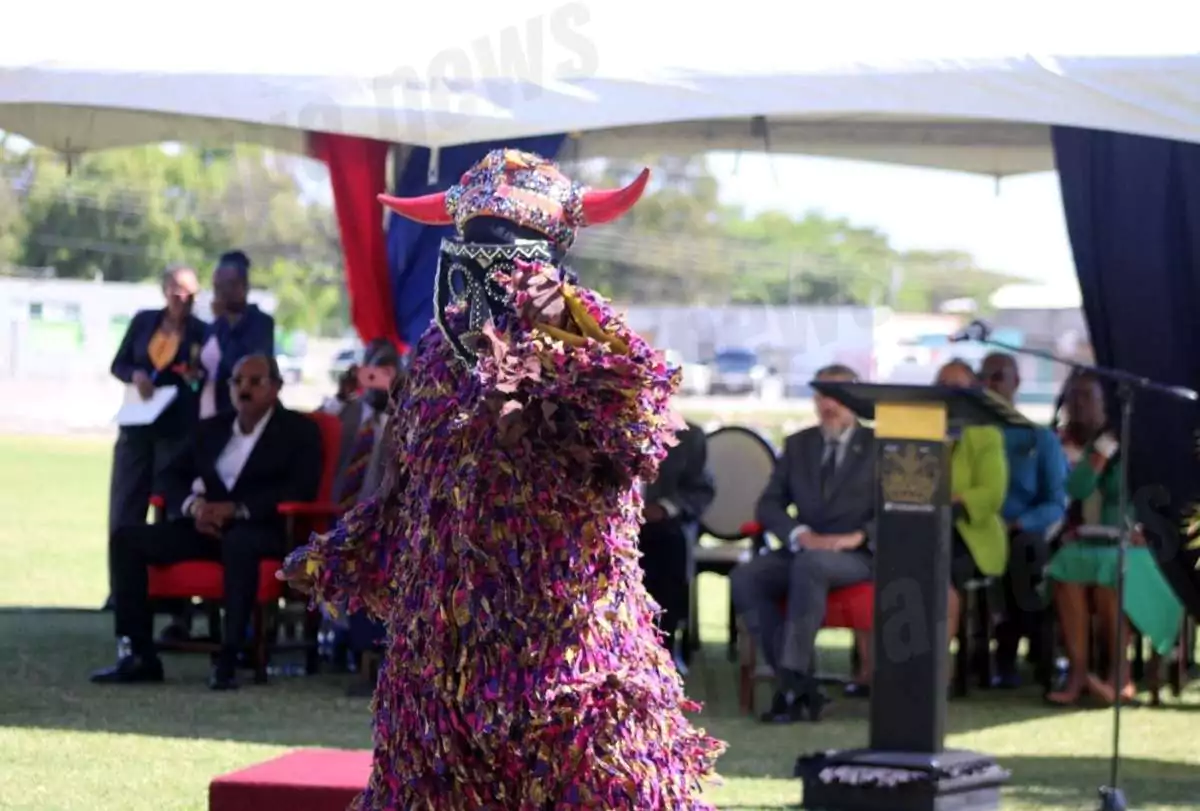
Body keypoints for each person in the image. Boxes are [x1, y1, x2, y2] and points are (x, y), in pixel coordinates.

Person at [280, 149, 724, 809]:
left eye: (515, 245)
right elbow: (410, 491)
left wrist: (545, 358)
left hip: (570, 651)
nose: (497, 263)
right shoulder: (435, 350)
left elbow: (636, 426)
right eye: (481, 240)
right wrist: (338, 554)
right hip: (442, 658)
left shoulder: (575, 324)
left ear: (552, 248)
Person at [91, 354, 322, 690]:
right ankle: (137, 653)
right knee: (127, 539)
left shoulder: (299, 431)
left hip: (263, 529)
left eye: (254, 382)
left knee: (239, 543)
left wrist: (237, 509)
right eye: (237, 381)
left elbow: (300, 487)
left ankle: (230, 658)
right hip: (205, 526)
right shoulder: (212, 428)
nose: (244, 389)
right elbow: (169, 476)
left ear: (276, 387)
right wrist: (193, 506)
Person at [730, 363, 876, 724]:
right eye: (822, 396)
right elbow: (769, 504)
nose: (829, 405)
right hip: (804, 549)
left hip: (857, 554)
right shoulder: (799, 444)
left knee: (811, 565)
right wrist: (798, 534)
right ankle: (800, 684)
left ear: (855, 400)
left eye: (838, 396)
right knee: (747, 577)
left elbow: (897, 509)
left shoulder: (880, 447)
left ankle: (791, 689)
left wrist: (858, 536)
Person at [1045, 371, 1184, 706]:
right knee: (1066, 565)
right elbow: (1076, 489)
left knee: (1113, 571)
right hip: (1099, 540)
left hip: (1147, 547)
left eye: (1089, 399)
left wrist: (1148, 528)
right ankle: (1078, 673)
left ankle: (1119, 676)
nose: (1081, 406)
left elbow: (1170, 496)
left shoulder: (1152, 445)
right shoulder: (1102, 444)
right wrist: (1101, 454)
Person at [106, 266, 208, 605]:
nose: (184, 299)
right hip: (136, 427)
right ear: (165, 290)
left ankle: (170, 595)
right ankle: (121, 590)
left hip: (176, 433)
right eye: (178, 291)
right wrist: (135, 374)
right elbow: (118, 364)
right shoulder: (143, 321)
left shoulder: (201, 332)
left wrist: (193, 377)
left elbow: (203, 379)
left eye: (191, 294)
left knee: (172, 509)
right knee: (125, 507)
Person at [979, 352, 1067, 687]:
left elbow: (1055, 503)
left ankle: (1021, 655)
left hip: (1019, 531)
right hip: (974, 529)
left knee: (1026, 552)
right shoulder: (969, 436)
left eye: (999, 376)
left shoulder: (1037, 437)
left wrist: (1019, 522)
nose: (991, 384)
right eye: (985, 377)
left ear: (1016, 383)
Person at [934, 360, 1010, 655]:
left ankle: (938, 668)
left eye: (956, 387)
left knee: (939, 574)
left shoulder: (986, 435)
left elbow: (992, 493)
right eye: (941, 386)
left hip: (969, 532)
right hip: (921, 527)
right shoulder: (919, 430)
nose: (948, 392)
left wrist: (948, 499)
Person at [639, 419, 715, 672]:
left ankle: (665, 648)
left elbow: (700, 491)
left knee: (670, 542)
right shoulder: (602, 427)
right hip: (608, 523)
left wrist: (663, 508)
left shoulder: (688, 435)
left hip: (662, 526)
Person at [198, 250, 275, 418]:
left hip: (238, 412)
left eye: (227, 285)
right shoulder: (213, 325)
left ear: (244, 287)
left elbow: (238, 366)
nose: (220, 292)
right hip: (208, 409)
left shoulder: (260, 323)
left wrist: (224, 324)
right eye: (216, 286)